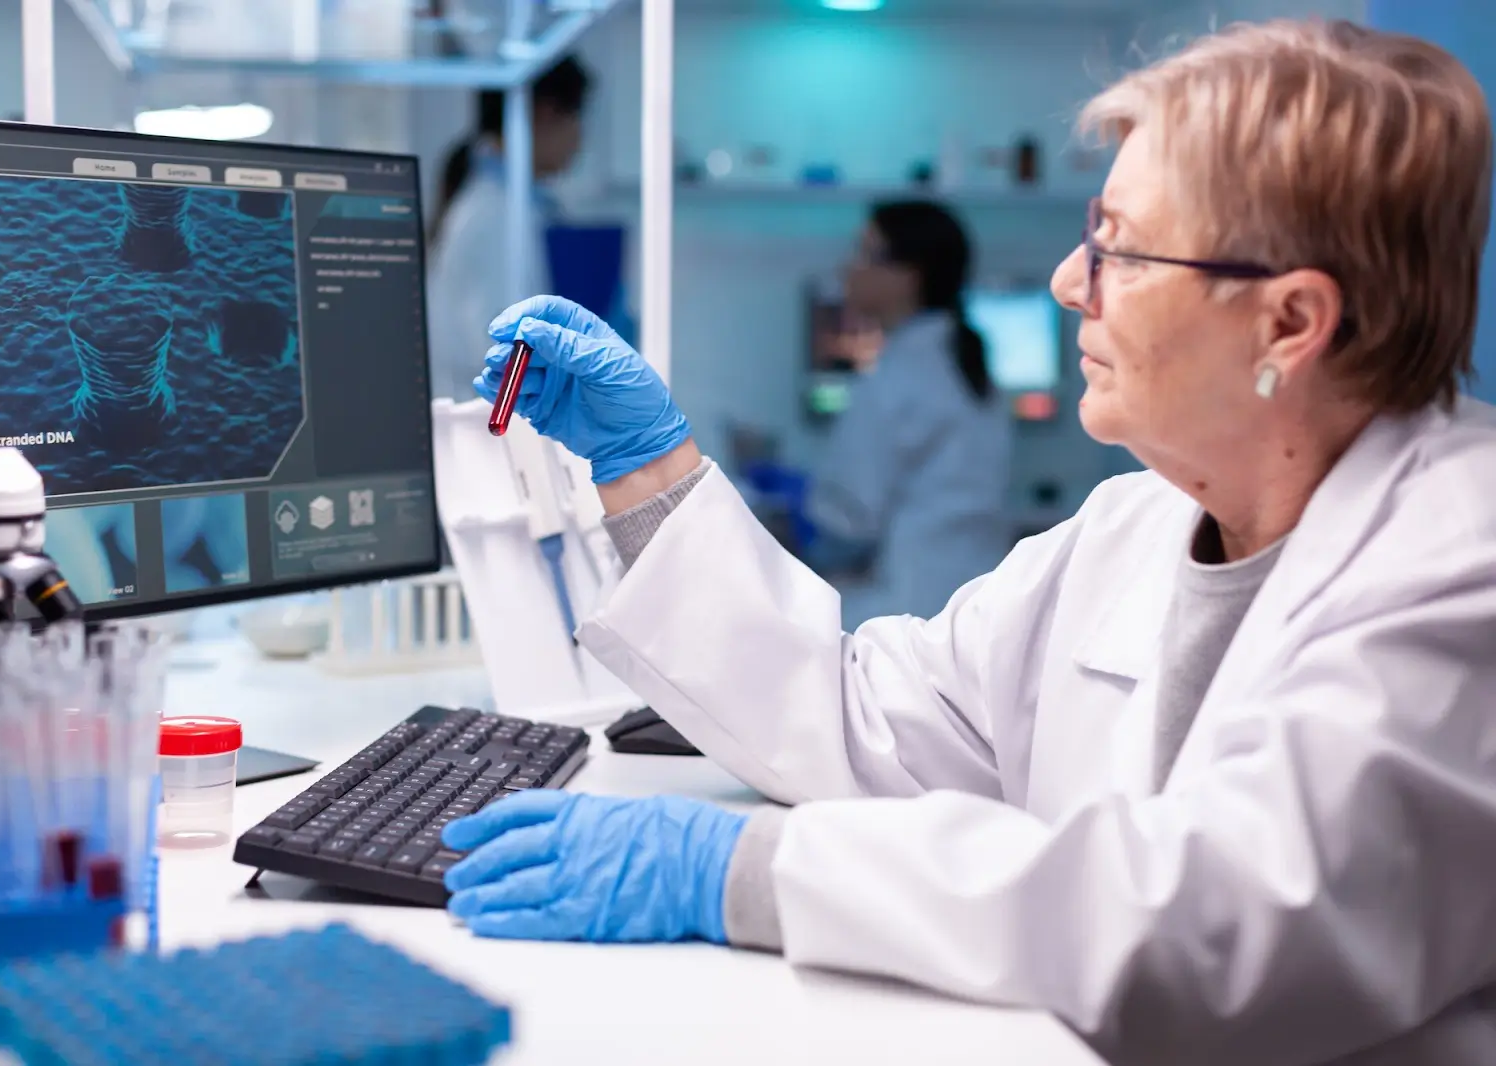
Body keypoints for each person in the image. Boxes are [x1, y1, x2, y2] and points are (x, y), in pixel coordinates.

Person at [444, 19, 1496, 1066]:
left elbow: (1215, 923)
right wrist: (648, 470)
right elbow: (862, 722)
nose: (1067, 283)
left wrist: (745, 871)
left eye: (1120, 249)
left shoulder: (1460, 565)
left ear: (1288, 322)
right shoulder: (1133, 525)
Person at [800, 201, 1012, 626]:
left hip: (908, 608)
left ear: (909, 275)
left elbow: (849, 524)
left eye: (865, 253)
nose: (849, 269)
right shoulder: (967, 365)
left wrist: (794, 513)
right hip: (975, 600)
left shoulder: (896, 379)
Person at [425, 56, 592, 401]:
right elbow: (501, 353)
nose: (580, 137)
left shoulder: (506, 206)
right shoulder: (493, 215)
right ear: (545, 114)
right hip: (491, 432)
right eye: (577, 118)